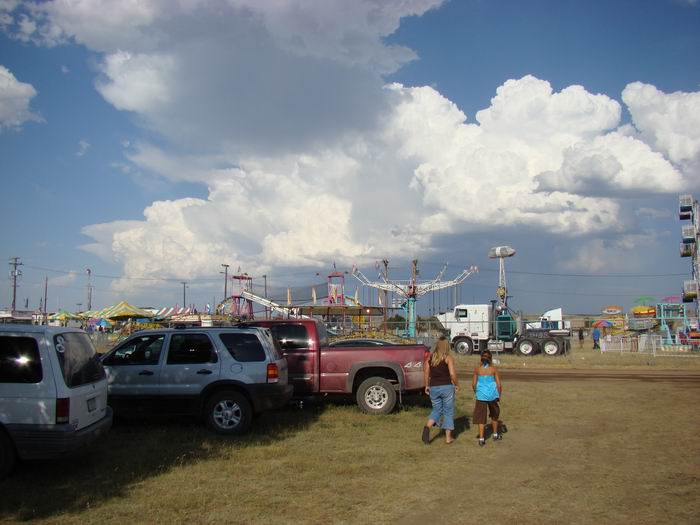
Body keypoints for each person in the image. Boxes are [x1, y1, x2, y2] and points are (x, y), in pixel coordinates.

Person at [422, 336, 459, 445]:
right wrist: (457, 384)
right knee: (448, 411)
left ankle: (427, 427)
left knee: (437, 410)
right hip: (447, 387)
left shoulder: (430, 358)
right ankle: (448, 438)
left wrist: (426, 386)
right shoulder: (448, 358)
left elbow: (426, 373)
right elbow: (452, 374)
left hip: (433, 387)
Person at [472, 350, 502, 446]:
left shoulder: (477, 369)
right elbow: (499, 384)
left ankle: (481, 438)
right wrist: (499, 395)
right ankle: (495, 434)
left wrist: (476, 392)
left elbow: (473, 384)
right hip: (492, 396)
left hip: (481, 396)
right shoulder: (493, 369)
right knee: (494, 415)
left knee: (481, 418)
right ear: (490, 359)